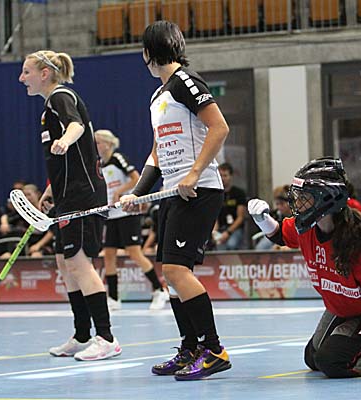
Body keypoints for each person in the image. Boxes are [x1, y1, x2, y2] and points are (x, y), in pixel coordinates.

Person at [120, 20, 231, 381]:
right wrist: (137, 193)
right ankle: (190, 348)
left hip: (199, 190)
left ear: (148, 53)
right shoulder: (158, 97)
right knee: (171, 274)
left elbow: (219, 127)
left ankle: (214, 349)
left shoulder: (186, 81)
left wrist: (194, 173)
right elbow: (157, 152)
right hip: (171, 191)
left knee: (175, 271)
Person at [248, 157, 361, 379]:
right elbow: (280, 234)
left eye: (305, 198)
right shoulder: (306, 227)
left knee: (331, 363)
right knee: (312, 358)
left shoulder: (355, 243)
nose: (298, 203)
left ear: (325, 199)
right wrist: (261, 219)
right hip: (347, 306)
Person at [18, 49, 120, 361]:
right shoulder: (48, 107)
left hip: (83, 195)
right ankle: (81, 334)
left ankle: (106, 338)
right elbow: (67, 161)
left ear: (44, 73)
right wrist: (52, 189)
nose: (21, 78)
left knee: (78, 262)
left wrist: (65, 140)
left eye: (26, 72)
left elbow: (76, 126)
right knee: (64, 262)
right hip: (66, 194)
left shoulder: (61, 97)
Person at [94, 129, 168, 310]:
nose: (96, 146)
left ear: (108, 144)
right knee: (109, 254)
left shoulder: (118, 158)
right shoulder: (99, 165)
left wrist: (120, 192)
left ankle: (159, 290)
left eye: (99, 142)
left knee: (134, 252)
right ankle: (113, 298)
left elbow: (136, 178)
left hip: (127, 212)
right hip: (111, 214)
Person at [212, 162, 247, 250]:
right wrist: (214, 231)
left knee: (231, 244)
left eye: (225, 175)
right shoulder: (215, 194)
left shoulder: (239, 193)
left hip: (235, 228)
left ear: (231, 176)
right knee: (219, 246)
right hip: (221, 228)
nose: (222, 178)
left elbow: (240, 217)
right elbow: (215, 215)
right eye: (220, 176)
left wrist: (228, 232)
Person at [253, 185, 292, 251]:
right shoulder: (274, 215)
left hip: (290, 239)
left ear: (290, 203)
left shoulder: (296, 216)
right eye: (277, 204)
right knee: (261, 247)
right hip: (277, 237)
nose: (279, 207)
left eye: (282, 204)